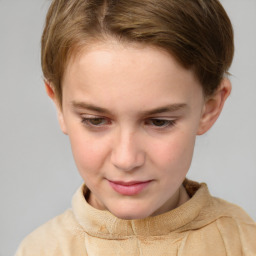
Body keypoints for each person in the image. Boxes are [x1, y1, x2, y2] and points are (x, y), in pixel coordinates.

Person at [16, 0, 256, 255]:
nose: (126, 159)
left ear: (209, 107)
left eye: (159, 122)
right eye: (95, 120)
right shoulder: (38, 250)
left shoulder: (245, 243)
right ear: (59, 105)